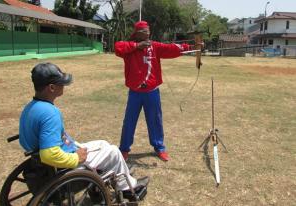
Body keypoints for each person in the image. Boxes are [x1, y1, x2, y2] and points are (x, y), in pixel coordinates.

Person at [19, 62, 149, 194]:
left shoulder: (30, 107)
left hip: (47, 160)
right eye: (61, 83)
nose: (64, 85)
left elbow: (27, 142)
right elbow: (48, 155)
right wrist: (76, 158)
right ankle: (128, 188)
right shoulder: (50, 113)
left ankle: (117, 172)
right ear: (51, 88)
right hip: (62, 163)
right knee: (114, 152)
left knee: (103, 144)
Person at [115, 21, 198, 162]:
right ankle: (124, 149)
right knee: (129, 121)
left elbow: (172, 48)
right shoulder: (129, 47)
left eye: (148, 31)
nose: (148, 33)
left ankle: (159, 147)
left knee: (155, 120)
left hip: (152, 92)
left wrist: (192, 47)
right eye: (145, 31)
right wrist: (137, 46)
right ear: (137, 33)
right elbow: (117, 48)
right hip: (135, 92)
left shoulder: (154, 46)